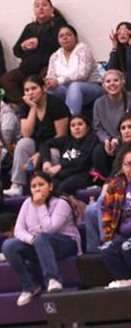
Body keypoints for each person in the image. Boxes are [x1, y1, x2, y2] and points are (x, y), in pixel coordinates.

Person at [2, 171, 82, 306]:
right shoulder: (27, 203)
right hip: (39, 243)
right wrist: (31, 240)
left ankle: (53, 279)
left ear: (50, 186)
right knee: (8, 246)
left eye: (41, 184)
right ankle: (30, 286)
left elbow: (50, 228)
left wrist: (40, 206)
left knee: (42, 237)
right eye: (33, 186)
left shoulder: (61, 202)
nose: (37, 189)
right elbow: (18, 230)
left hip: (66, 243)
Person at [4, 75, 70, 196]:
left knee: (53, 153)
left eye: (34, 88)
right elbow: (26, 134)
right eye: (27, 90)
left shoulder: (56, 104)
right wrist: (33, 108)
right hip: (36, 145)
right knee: (23, 144)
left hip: (55, 145)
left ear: (43, 88)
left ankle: (50, 186)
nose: (30, 93)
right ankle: (17, 185)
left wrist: (40, 154)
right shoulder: (26, 106)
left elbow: (61, 136)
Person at [0, 0, 67, 102]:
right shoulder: (29, 27)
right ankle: (24, 105)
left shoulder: (58, 24)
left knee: (39, 81)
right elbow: (16, 51)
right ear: (34, 11)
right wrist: (22, 46)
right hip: (27, 66)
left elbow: (59, 43)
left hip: (47, 65)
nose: (41, 8)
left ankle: (42, 106)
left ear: (52, 9)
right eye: (37, 6)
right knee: (5, 79)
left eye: (44, 5)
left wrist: (38, 42)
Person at [85, 115, 131, 254]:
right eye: (123, 128)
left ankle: (108, 242)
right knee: (90, 211)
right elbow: (114, 174)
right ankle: (93, 253)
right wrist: (107, 185)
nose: (126, 130)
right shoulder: (121, 150)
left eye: (129, 127)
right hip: (120, 190)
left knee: (102, 201)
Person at [45, 25, 102, 115]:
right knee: (49, 91)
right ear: (58, 40)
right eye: (61, 36)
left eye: (68, 34)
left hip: (91, 87)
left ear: (75, 37)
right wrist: (48, 82)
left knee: (74, 86)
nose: (65, 37)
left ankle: (73, 121)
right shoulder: (55, 56)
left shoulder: (83, 50)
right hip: (66, 90)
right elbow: (51, 76)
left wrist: (59, 80)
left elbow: (82, 75)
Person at [39, 114, 96, 194]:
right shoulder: (66, 140)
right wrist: (46, 160)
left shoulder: (92, 140)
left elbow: (82, 162)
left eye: (80, 124)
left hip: (82, 175)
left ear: (87, 127)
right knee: (45, 186)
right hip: (62, 175)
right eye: (73, 125)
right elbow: (44, 145)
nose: (76, 128)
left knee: (62, 187)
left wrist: (60, 166)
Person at [100, 144, 131, 287]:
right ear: (123, 166)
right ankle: (124, 281)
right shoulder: (115, 185)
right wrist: (109, 236)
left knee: (127, 247)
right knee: (107, 249)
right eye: (128, 164)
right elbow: (106, 213)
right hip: (123, 234)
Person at [92, 70, 131, 180]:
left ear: (122, 82)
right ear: (103, 85)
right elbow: (97, 127)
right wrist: (106, 140)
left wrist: (117, 139)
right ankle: (105, 180)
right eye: (108, 81)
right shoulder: (99, 103)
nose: (112, 84)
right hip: (109, 142)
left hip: (127, 138)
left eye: (115, 80)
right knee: (98, 152)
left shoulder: (130, 99)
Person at [107, 21, 131, 92]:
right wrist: (114, 47)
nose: (122, 34)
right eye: (119, 32)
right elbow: (110, 71)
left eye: (125, 31)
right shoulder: (118, 51)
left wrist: (130, 47)